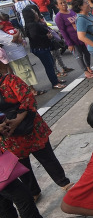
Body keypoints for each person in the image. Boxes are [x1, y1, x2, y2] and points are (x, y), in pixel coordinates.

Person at [0, 68, 73, 203]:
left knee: (47, 157)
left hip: (30, 128)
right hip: (9, 135)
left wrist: (16, 121)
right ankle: (33, 192)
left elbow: (28, 99)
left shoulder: (10, 80)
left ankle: (64, 183)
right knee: (21, 165)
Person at [22, 7, 67, 90]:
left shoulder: (34, 23)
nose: (36, 13)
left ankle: (55, 80)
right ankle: (55, 83)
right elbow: (34, 36)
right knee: (49, 66)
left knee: (51, 63)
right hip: (40, 48)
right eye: (33, 12)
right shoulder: (32, 24)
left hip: (43, 47)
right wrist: (46, 36)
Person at [55, 0, 93, 79]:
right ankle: (85, 71)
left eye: (64, 2)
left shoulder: (72, 11)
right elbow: (62, 31)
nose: (63, 4)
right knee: (79, 55)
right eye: (61, 3)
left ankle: (88, 67)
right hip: (73, 39)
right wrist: (69, 43)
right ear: (57, 6)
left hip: (82, 36)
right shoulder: (59, 17)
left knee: (87, 52)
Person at [0, 21, 44, 96]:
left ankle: (30, 90)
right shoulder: (1, 33)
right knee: (24, 74)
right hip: (15, 56)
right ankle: (30, 91)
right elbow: (14, 38)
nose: (1, 22)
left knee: (27, 72)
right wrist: (18, 31)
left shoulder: (4, 29)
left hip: (19, 53)